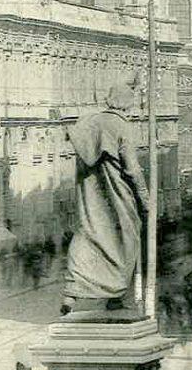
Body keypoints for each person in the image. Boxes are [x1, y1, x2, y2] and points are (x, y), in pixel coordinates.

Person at [61, 78, 149, 315]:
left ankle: (71, 292)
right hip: (118, 194)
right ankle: (116, 294)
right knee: (126, 239)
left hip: (91, 192)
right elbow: (132, 168)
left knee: (88, 233)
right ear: (127, 104)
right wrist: (144, 197)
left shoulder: (90, 122)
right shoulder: (123, 127)